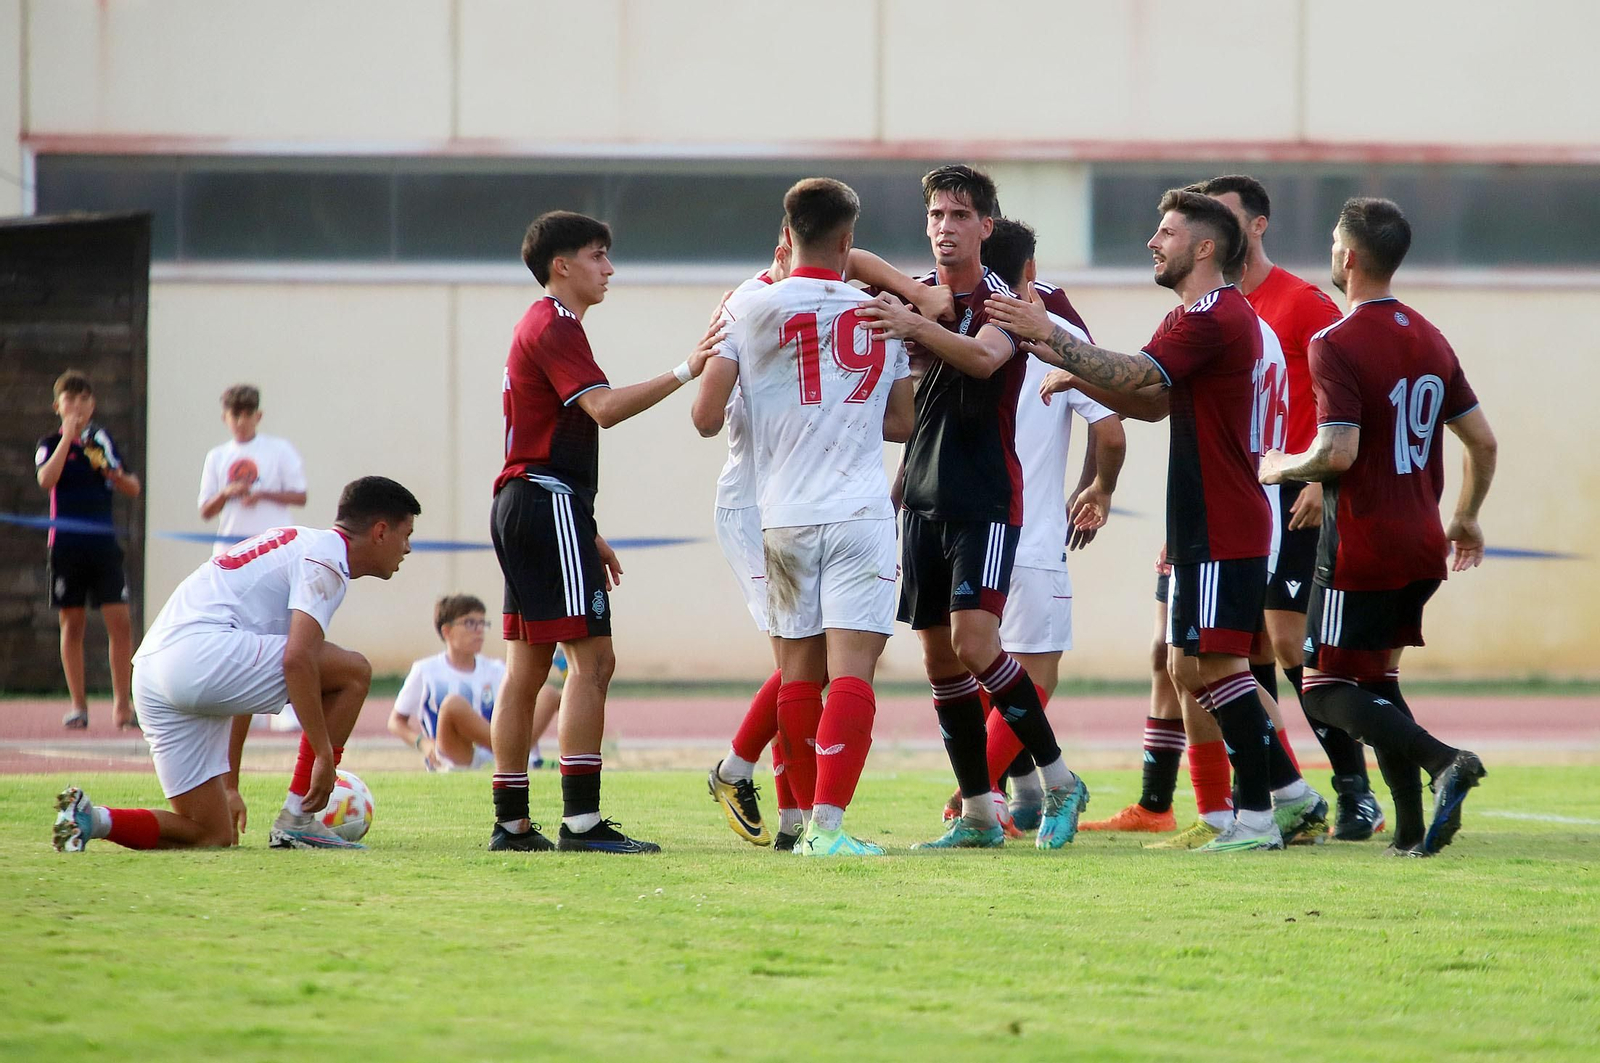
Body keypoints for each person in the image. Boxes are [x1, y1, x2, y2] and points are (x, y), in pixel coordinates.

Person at [987, 188, 1326, 852]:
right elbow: (1152, 403)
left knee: (1221, 668)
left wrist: (1050, 338)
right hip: (1217, 516)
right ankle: (1250, 810)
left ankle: (1261, 814)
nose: (1152, 241)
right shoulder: (1230, 319)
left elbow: (1140, 374)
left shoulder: (1206, 316)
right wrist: (1074, 371)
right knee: (1189, 663)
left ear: (1204, 247)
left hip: (1226, 516)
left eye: (1166, 231)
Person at [857, 165, 1090, 851]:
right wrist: (910, 301)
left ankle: (1058, 778)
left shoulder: (1005, 301)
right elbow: (851, 258)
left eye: (959, 215)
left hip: (986, 496)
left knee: (976, 642)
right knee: (939, 661)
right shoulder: (921, 293)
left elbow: (986, 361)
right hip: (923, 497)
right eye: (935, 215)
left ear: (987, 227)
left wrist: (913, 324)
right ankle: (982, 815)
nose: (944, 228)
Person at [1260, 197, 1497, 856]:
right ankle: (1413, 830)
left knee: (1326, 688)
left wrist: (1279, 466)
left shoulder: (1334, 341)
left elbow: (1337, 452)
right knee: (1376, 683)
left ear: (1349, 257)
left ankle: (1445, 759)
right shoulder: (1428, 335)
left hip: (1362, 544)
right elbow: (1484, 442)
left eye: (1336, 243)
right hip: (1423, 544)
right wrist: (1467, 517)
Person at [702, 228, 952, 852]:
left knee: (799, 668)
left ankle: (786, 814)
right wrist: (919, 302)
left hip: (779, 507)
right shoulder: (831, 307)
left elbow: (704, 413)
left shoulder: (750, 305)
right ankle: (795, 808)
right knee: (818, 668)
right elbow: (899, 419)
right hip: (773, 499)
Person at [488, 210, 724, 855]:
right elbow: (604, 408)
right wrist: (688, 369)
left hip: (525, 501)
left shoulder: (538, 325)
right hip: (544, 501)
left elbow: (546, 437)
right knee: (594, 660)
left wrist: (583, 530)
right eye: (598, 255)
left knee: (527, 666)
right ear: (561, 266)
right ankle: (583, 825)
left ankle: (511, 823)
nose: (609, 268)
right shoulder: (556, 322)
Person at [51, 476, 419, 852]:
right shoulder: (326, 559)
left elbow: (246, 679)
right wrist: (324, 756)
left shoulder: (299, 542)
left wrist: (230, 785)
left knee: (212, 833)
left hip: (151, 671)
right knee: (354, 672)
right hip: (199, 656)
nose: (407, 548)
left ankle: (89, 818)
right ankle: (298, 820)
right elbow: (296, 661)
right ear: (379, 531)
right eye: (406, 534)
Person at [1197, 175, 1385, 841]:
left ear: (1257, 225)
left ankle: (1354, 788)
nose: (1211, 230)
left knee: (1286, 642)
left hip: (1295, 490)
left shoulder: (1300, 302)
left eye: (1223, 217)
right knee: (1230, 648)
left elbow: (1348, 383)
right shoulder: (1212, 308)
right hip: (1235, 496)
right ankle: (1278, 793)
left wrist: (1320, 480)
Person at [964, 218, 1126, 832]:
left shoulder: (950, 323)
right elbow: (1109, 428)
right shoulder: (1052, 330)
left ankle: (1017, 792)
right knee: (1036, 671)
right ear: (1029, 271)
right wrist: (1099, 490)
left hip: (965, 531)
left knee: (977, 662)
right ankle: (974, 797)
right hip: (1027, 533)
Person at [34, 370, 141, 730]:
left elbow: (132, 487)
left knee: (121, 622)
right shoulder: (49, 443)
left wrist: (109, 470)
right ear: (57, 406)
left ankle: (122, 706)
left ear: (93, 404)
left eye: (84, 399)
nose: (77, 406)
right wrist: (69, 438)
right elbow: (46, 479)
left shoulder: (102, 442)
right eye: (70, 399)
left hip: (103, 546)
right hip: (65, 547)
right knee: (72, 623)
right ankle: (78, 706)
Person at [388, 594, 563, 771]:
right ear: (446, 631)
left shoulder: (497, 669)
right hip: (457, 756)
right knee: (452, 705)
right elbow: (396, 721)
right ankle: (522, 757)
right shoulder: (425, 670)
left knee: (548, 694)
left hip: (499, 751)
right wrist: (423, 743)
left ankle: (564, 753)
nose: (479, 630)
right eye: (470, 623)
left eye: (482, 623)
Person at [198, 385, 308, 551]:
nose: (241, 422)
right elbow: (206, 512)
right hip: (231, 550)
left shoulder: (280, 450)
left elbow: (300, 497)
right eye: (235, 416)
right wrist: (225, 493)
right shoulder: (216, 456)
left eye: (247, 415)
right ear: (224, 418)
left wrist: (262, 495)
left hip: (273, 549)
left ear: (258, 416)